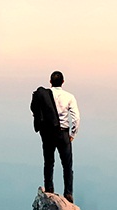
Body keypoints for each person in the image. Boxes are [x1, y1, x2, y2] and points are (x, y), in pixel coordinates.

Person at [37, 71, 80, 202]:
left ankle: (49, 190)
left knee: (49, 162)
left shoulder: (44, 96)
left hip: (48, 133)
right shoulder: (69, 97)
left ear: (50, 81)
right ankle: (68, 193)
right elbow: (76, 118)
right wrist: (73, 134)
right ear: (63, 82)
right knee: (67, 165)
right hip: (63, 133)